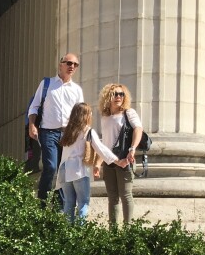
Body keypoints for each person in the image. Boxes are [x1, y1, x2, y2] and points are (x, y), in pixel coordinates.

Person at [27, 53, 85, 204]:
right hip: (48, 132)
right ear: (61, 65)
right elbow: (34, 106)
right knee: (51, 166)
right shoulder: (47, 84)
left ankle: (59, 206)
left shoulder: (77, 90)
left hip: (68, 133)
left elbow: (81, 114)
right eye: (69, 63)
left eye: (75, 64)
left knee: (63, 170)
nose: (72, 66)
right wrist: (32, 125)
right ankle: (42, 202)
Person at [55, 103, 128, 222]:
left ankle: (67, 233)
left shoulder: (67, 131)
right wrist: (117, 161)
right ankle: (80, 233)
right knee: (83, 203)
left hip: (64, 169)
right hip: (79, 170)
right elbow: (101, 149)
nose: (92, 115)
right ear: (85, 116)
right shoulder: (87, 131)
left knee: (68, 203)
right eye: (89, 112)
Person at [99, 83, 143, 224]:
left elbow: (138, 129)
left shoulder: (128, 113)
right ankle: (113, 232)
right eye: (115, 94)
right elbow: (104, 143)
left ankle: (127, 229)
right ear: (108, 96)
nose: (118, 97)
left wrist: (132, 148)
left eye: (121, 94)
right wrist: (98, 162)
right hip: (109, 161)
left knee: (126, 195)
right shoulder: (104, 117)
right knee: (112, 197)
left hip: (125, 158)